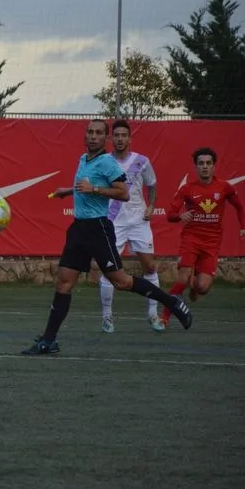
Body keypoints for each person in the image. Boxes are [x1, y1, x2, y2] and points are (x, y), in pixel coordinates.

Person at [23, 119, 193, 356]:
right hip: (78, 229)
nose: (93, 136)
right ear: (85, 136)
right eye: (90, 132)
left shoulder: (107, 162)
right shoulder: (83, 159)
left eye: (99, 133)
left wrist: (94, 189)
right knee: (64, 282)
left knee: (121, 282)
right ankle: (49, 340)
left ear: (106, 138)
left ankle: (172, 302)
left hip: (98, 229)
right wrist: (68, 191)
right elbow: (85, 186)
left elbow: (123, 193)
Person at [161, 147, 245, 324]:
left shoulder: (224, 187)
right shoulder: (187, 189)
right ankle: (164, 317)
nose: (205, 166)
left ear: (214, 166)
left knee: (202, 287)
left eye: (208, 163)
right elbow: (170, 215)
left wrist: (244, 228)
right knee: (183, 277)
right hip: (191, 239)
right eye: (201, 163)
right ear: (196, 167)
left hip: (212, 243)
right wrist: (180, 216)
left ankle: (194, 285)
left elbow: (240, 207)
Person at [98, 120, 165, 333]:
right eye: (116, 135)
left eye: (123, 135)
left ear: (130, 138)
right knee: (109, 270)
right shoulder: (104, 161)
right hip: (113, 221)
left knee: (150, 266)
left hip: (138, 221)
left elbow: (152, 185)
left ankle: (152, 314)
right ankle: (107, 317)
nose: (120, 139)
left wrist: (151, 205)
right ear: (111, 138)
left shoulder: (142, 161)